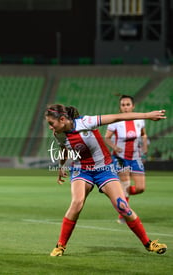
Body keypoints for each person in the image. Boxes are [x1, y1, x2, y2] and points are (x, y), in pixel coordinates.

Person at [45, 104, 167, 256]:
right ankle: (60, 246)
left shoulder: (86, 122)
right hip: (81, 170)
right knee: (77, 203)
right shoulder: (59, 133)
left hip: (105, 170)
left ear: (62, 119)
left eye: (51, 123)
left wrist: (147, 115)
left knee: (123, 207)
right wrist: (61, 166)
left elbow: (118, 117)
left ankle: (148, 244)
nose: (50, 127)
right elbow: (64, 149)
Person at [104, 95, 147, 224]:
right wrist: (114, 147)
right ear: (120, 107)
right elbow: (106, 138)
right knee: (126, 182)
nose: (125, 107)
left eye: (128, 104)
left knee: (140, 188)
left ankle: (121, 195)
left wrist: (144, 149)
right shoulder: (115, 121)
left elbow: (144, 134)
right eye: (123, 105)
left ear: (133, 106)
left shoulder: (139, 120)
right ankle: (123, 213)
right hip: (120, 157)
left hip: (135, 157)